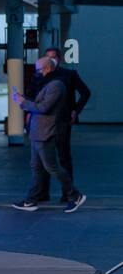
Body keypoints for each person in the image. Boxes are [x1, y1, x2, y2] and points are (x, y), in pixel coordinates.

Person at [12, 56, 86, 213]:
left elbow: (44, 107)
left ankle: (75, 195)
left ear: (47, 69)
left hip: (45, 132)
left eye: (38, 70)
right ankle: (31, 200)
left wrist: (24, 103)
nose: (36, 73)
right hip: (37, 131)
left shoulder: (57, 85)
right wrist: (23, 101)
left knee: (52, 167)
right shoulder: (47, 84)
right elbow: (38, 105)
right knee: (37, 167)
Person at [40, 46, 90, 198]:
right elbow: (32, 95)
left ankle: (68, 193)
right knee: (43, 158)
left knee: (63, 157)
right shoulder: (41, 74)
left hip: (62, 121)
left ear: (59, 59)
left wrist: (75, 110)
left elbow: (85, 92)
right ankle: (43, 192)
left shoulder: (69, 75)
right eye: (48, 57)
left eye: (53, 57)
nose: (51, 60)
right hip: (44, 122)